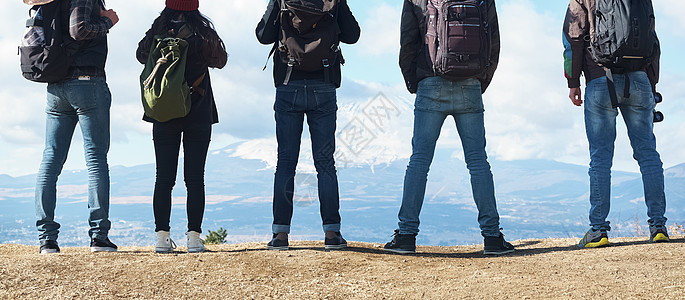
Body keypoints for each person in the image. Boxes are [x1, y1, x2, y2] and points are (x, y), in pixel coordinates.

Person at [384, 0, 515, 255]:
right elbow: (493, 43)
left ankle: (406, 237)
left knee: (419, 161)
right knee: (478, 162)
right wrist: (479, 82)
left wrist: (416, 82)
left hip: (430, 81)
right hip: (470, 83)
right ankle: (492, 237)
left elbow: (408, 42)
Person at [256, 0, 360, 250]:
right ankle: (332, 234)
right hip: (323, 84)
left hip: (288, 83)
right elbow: (353, 35)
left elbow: (262, 35)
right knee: (325, 164)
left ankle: (280, 235)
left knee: (285, 162)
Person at [563, 0, 668, 248]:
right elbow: (652, 40)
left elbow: (573, 39)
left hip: (600, 81)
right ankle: (658, 226)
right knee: (648, 154)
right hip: (640, 80)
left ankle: (598, 231)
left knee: (600, 157)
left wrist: (573, 82)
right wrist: (651, 84)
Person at [136, 0, 227, 253]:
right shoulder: (202, 32)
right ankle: (194, 239)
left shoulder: (157, 30)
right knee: (195, 178)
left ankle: (162, 238)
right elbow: (220, 61)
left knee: (163, 178)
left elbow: (140, 55)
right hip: (198, 109)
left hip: (164, 112)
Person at [35, 0, 120, 254]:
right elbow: (78, 29)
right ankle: (99, 237)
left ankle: (46, 240)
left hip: (56, 84)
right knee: (95, 159)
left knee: (50, 160)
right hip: (87, 82)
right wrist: (109, 21)